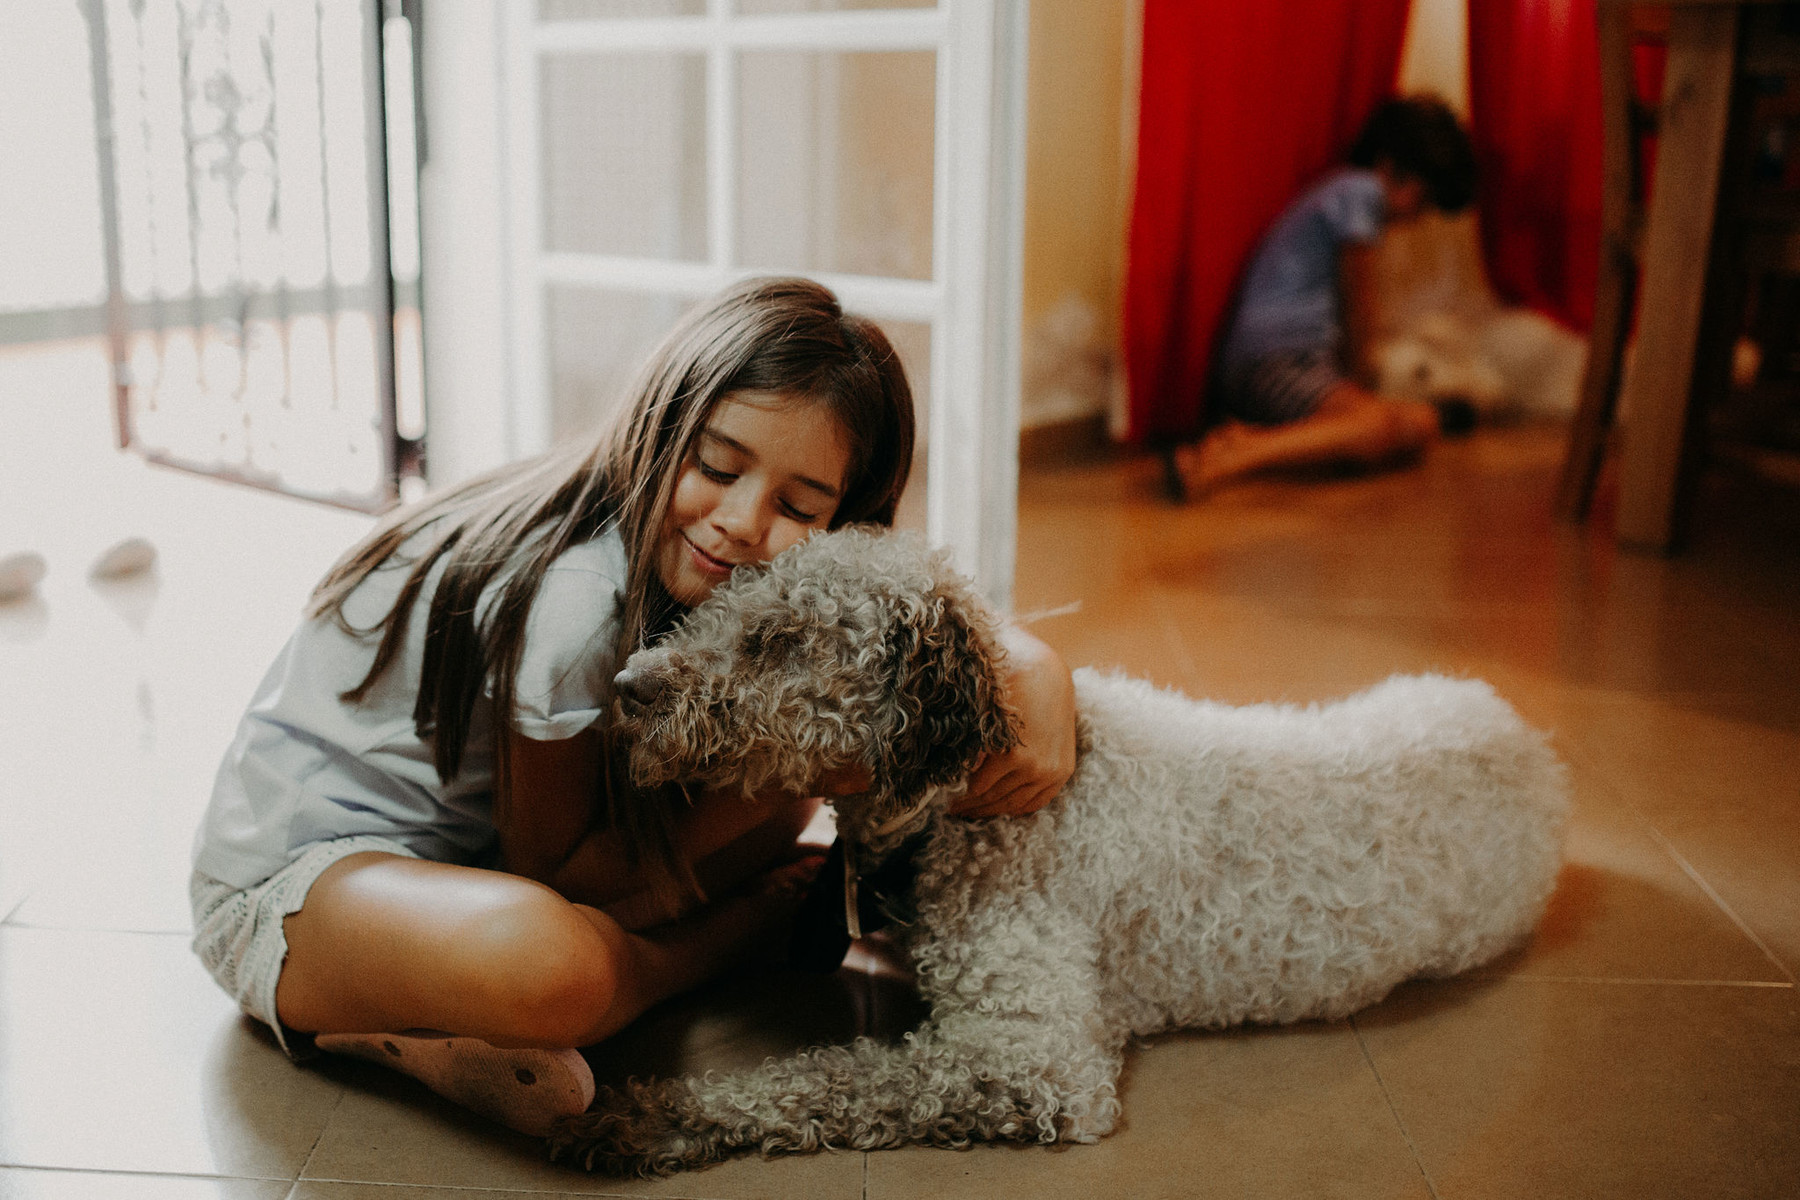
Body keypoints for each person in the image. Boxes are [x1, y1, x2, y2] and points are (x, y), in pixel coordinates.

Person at [189, 277, 1078, 1137]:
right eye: (717, 466)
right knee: (555, 963)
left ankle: (472, 1018)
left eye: (797, 506)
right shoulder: (576, 601)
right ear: (661, 425)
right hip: (296, 890)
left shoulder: (691, 554)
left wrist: (1037, 665)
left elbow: (901, 609)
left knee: (781, 783)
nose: (739, 520)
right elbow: (563, 884)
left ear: (846, 525)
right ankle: (711, 954)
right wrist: (761, 877)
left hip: (461, 858)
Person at [1176, 96, 1479, 494]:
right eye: (1422, 200)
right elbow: (1359, 307)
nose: (1418, 217)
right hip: (1275, 362)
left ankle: (1256, 441)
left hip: (1285, 364)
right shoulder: (1360, 192)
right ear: (1391, 167)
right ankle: (1244, 450)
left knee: (1417, 424)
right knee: (1383, 425)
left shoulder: (1339, 193)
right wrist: (1360, 388)